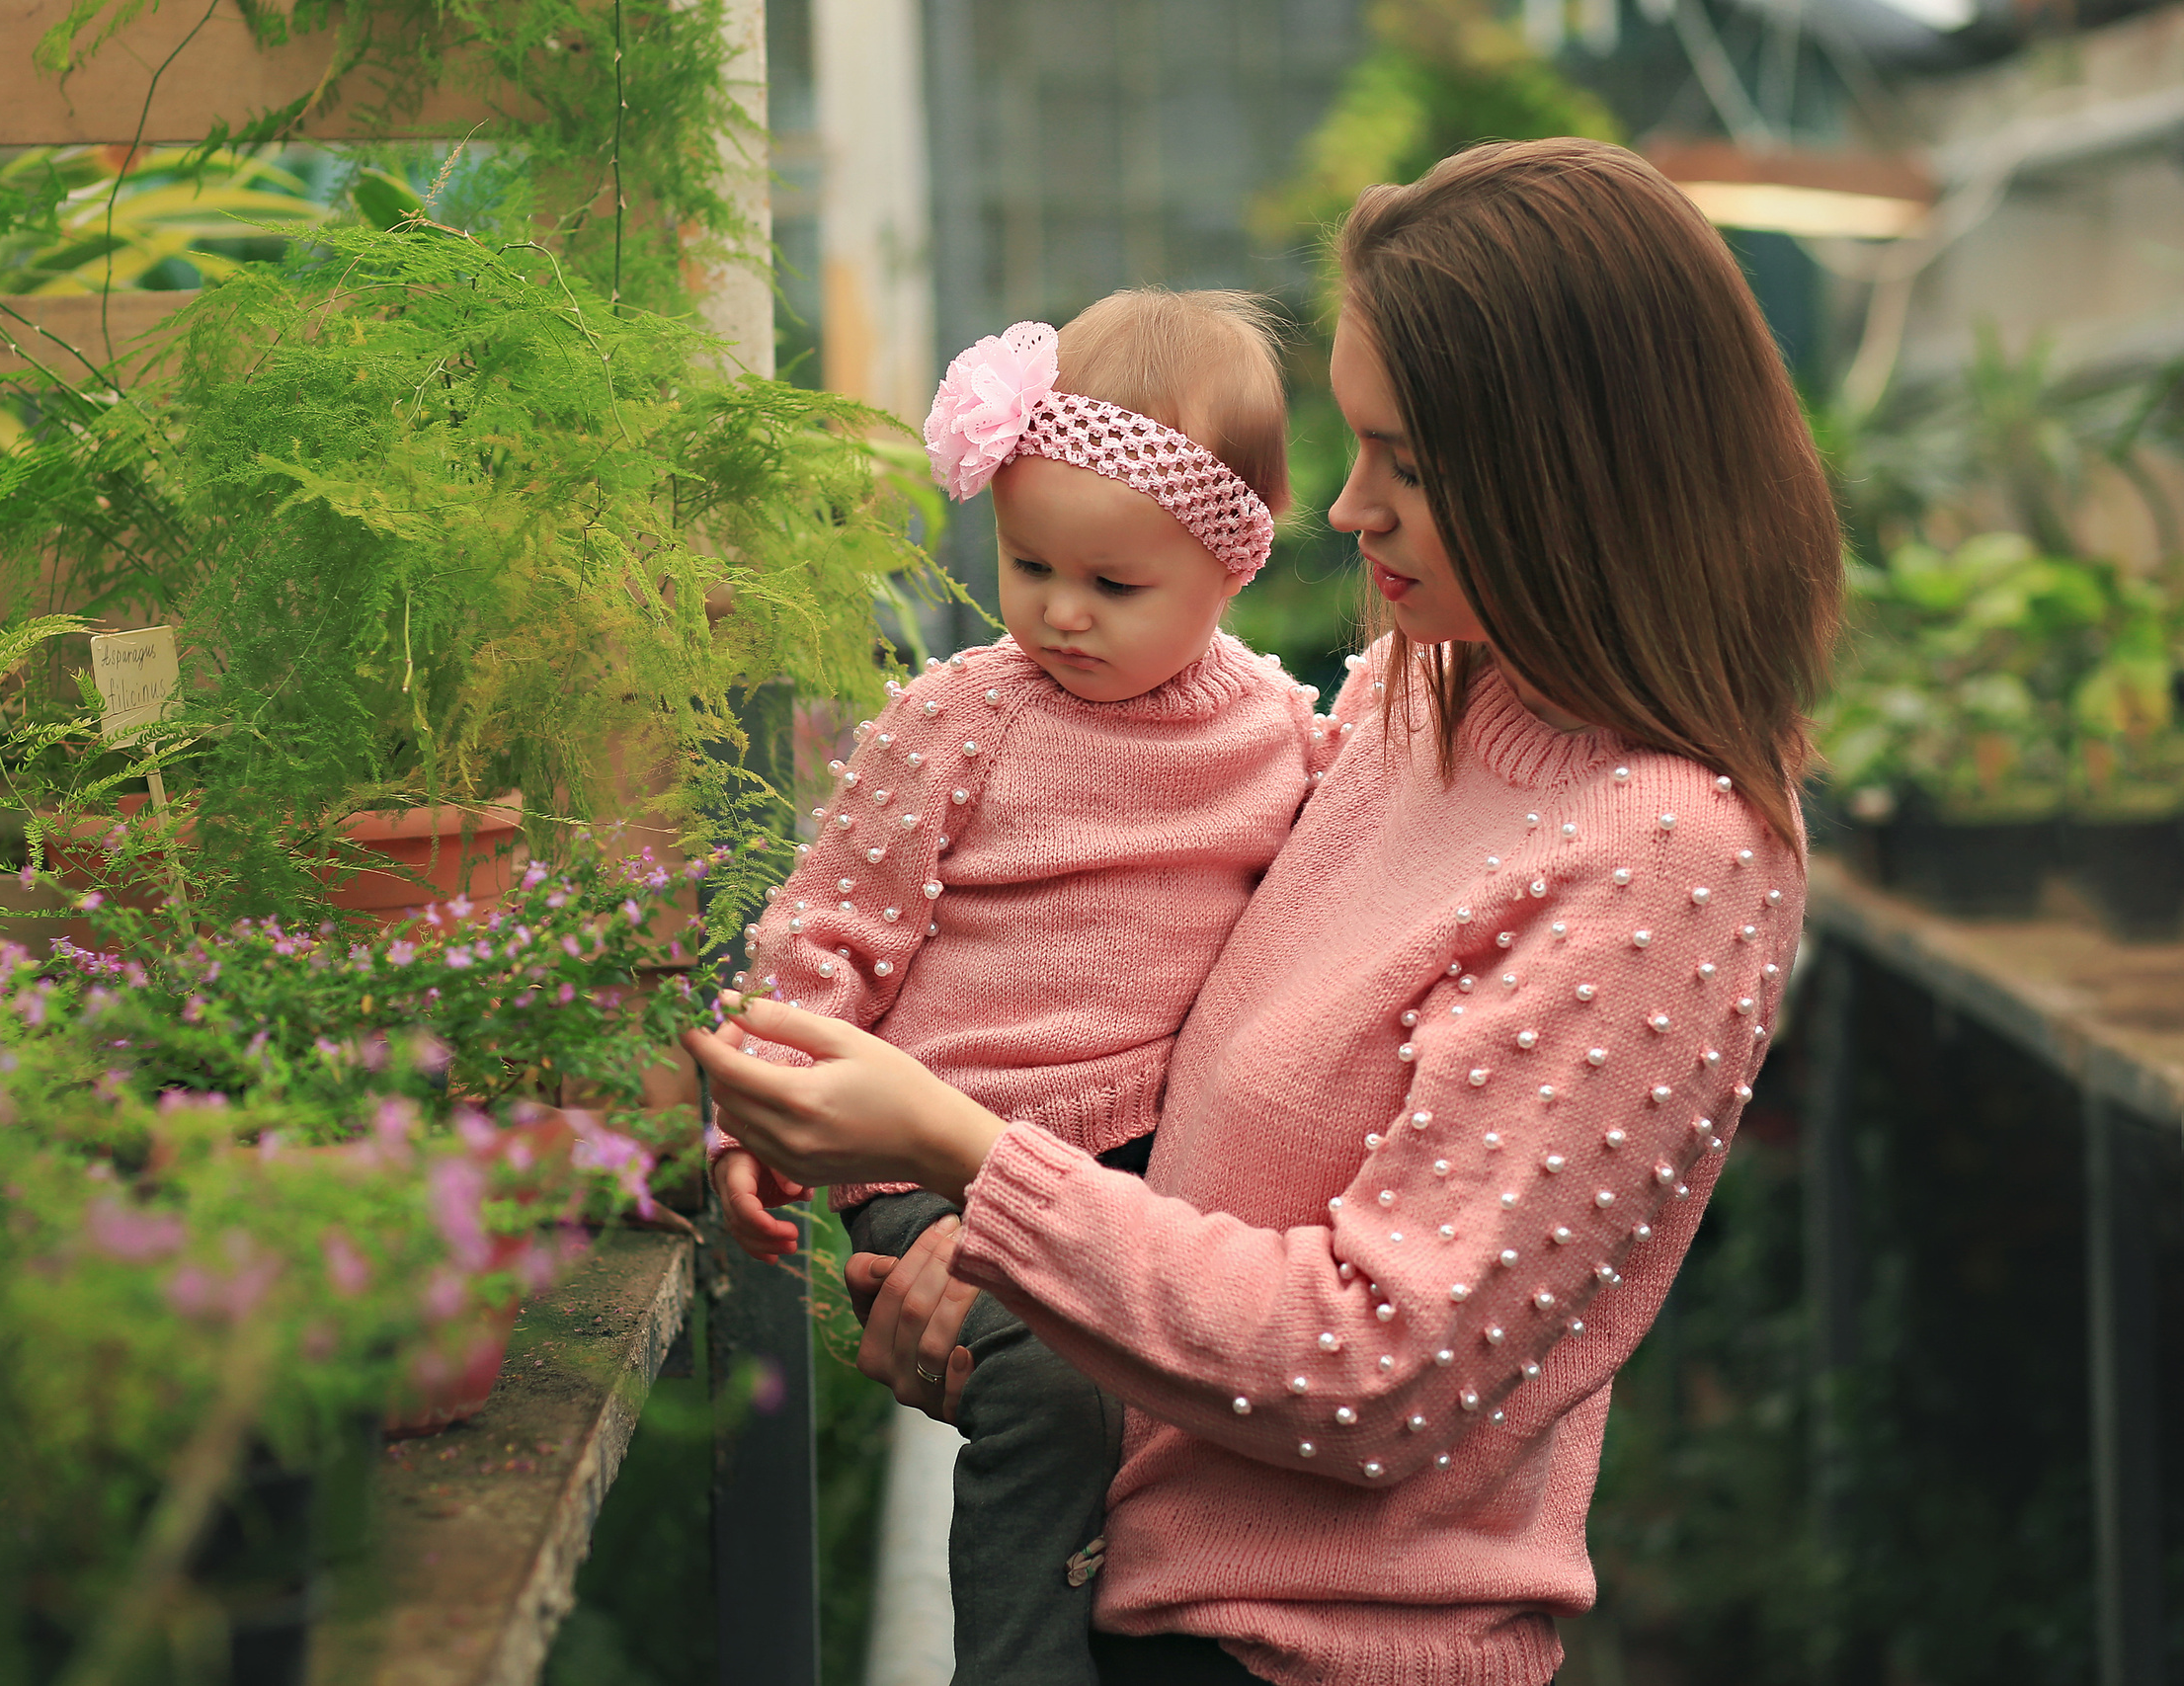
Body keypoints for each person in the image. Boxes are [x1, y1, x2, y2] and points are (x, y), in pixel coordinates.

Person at [689, 137, 1844, 1686]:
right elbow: (1198, 1183)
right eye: (1355, 446)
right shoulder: (1392, 707)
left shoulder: (1670, 857)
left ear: (1580, 467)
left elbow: (1377, 1368)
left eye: (1413, 465)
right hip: (1130, 1591)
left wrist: (964, 1155)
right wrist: (983, 1269)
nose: (1350, 509)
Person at [713, 289, 1333, 1685]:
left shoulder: (1286, 739)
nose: (1059, 611)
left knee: (1174, 1405)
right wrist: (754, 1114)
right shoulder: (960, 720)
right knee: (1050, 1388)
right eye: (1027, 562)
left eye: (1115, 588)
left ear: (1231, 568)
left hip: (1143, 1171)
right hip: (933, 1136)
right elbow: (824, 933)